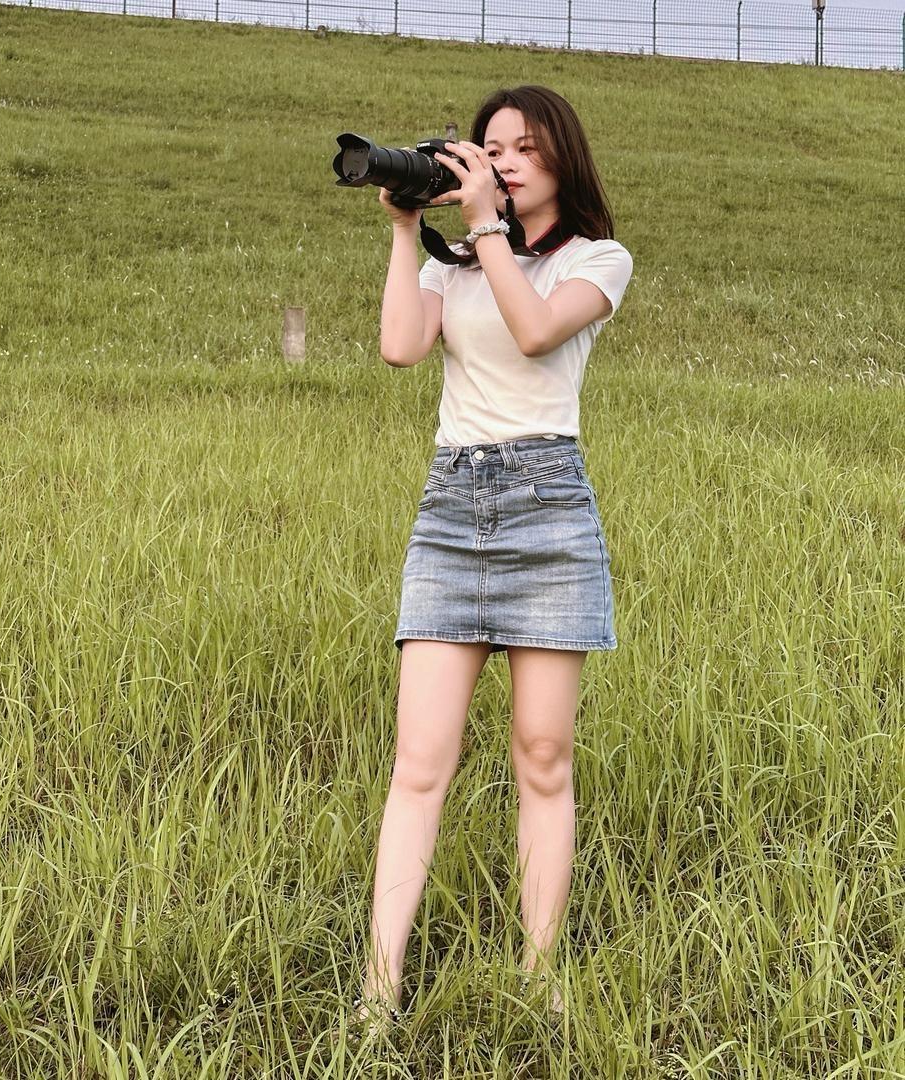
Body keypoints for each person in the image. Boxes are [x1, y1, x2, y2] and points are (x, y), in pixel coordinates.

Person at [352, 84, 634, 1041]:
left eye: (523, 148)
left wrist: (484, 228)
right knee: (419, 761)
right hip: (451, 508)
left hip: (549, 511)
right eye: (491, 147)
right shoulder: (458, 262)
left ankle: (540, 977)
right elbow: (400, 348)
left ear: (563, 160)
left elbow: (535, 330)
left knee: (543, 758)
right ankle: (379, 990)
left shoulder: (598, 260)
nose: (504, 162)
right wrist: (407, 230)